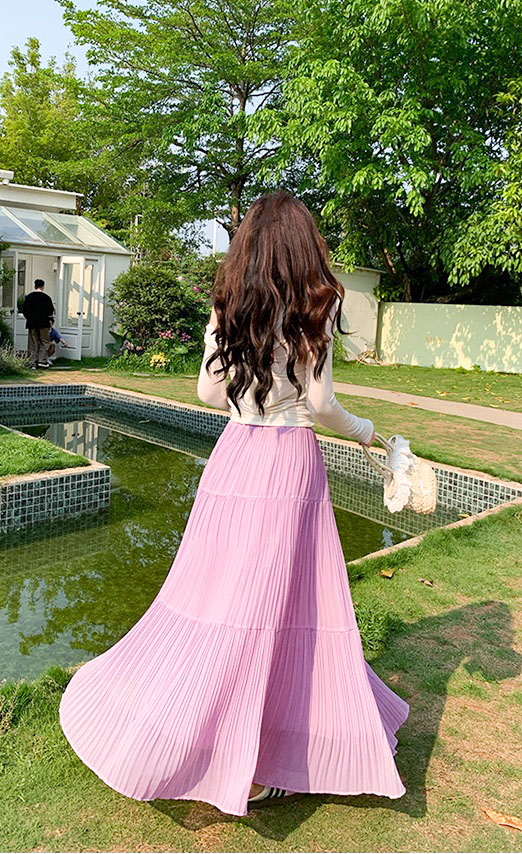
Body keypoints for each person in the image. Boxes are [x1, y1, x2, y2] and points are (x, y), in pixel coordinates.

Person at [59, 190, 410, 817]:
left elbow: (206, 391)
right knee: (287, 603)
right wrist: (367, 432)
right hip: (289, 462)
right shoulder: (318, 303)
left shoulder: (229, 303)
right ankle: (261, 755)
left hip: (233, 456)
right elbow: (321, 403)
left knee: (219, 598)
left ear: (246, 245)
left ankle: (226, 738)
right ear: (305, 246)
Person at [21, 279, 55, 369]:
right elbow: (50, 311)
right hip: (44, 323)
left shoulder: (29, 297)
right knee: (45, 342)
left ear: (35, 286)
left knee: (33, 343)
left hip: (32, 323)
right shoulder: (47, 298)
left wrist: (29, 318)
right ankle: (42, 361)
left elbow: (25, 311)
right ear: (43, 286)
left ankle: (32, 362)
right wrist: (51, 321)